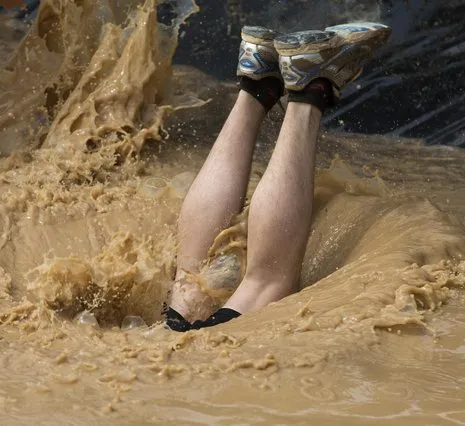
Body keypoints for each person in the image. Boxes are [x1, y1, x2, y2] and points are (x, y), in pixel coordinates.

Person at [164, 22, 391, 332]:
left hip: (182, 354)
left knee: (218, 284)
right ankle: (270, 82)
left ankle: (288, 87)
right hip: (177, 342)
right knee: (195, 284)